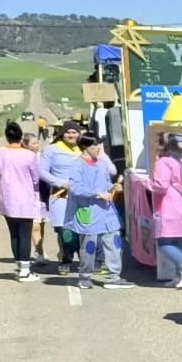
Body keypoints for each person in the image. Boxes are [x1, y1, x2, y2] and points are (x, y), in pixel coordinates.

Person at [62, 135, 128, 289]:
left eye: (99, 145)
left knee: (115, 242)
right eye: (95, 145)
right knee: (89, 246)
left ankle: (114, 277)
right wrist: (97, 193)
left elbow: (104, 182)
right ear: (85, 147)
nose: (98, 148)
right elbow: (76, 188)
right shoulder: (76, 165)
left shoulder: (102, 164)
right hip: (88, 211)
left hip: (107, 211)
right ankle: (85, 277)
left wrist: (113, 187)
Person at [0, 122, 43, 279]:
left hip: (6, 199)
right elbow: (36, 178)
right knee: (24, 233)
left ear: (6, 137)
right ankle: (25, 270)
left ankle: (19, 265)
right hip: (25, 199)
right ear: (21, 138)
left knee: (14, 233)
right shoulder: (29, 155)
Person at [150, 133, 182, 288]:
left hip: (169, 207)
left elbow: (160, 186)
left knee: (164, 243)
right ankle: (180, 275)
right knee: (178, 243)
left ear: (162, 146)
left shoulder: (163, 162)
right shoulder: (181, 162)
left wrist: (146, 183)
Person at [38, 117, 85, 270]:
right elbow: (42, 171)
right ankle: (66, 259)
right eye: (68, 132)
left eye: (74, 132)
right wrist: (60, 182)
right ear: (62, 134)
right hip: (60, 196)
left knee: (82, 229)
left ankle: (84, 259)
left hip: (82, 196)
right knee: (65, 230)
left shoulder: (84, 148)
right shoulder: (52, 149)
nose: (71, 135)